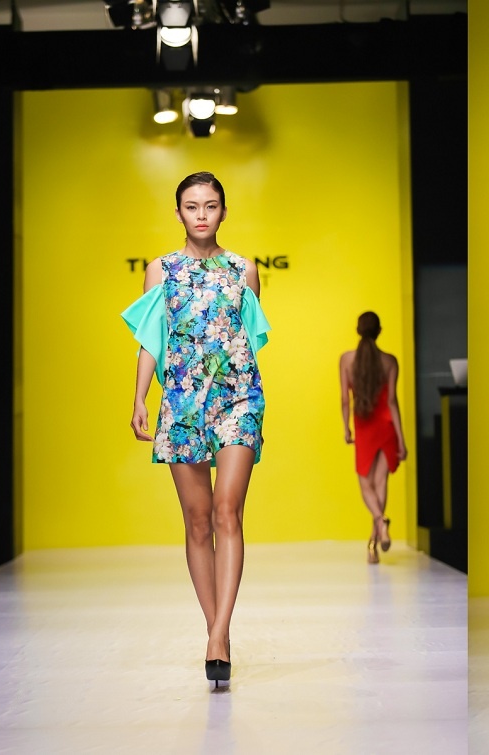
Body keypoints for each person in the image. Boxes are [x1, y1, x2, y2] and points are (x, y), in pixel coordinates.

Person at [122, 171, 270, 687]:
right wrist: (140, 396)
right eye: (192, 206)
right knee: (198, 520)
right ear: (179, 213)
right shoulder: (160, 270)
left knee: (228, 510)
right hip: (183, 401)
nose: (201, 214)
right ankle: (216, 630)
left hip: (238, 397)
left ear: (224, 212)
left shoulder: (244, 269)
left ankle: (218, 635)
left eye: (210, 205)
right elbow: (151, 338)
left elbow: (247, 339)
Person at [339, 312, 408, 564]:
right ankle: (374, 541)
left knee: (366, 485)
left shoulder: (347, 360)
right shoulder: (390, 361)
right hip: (386, 427)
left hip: (364, 426)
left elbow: (345, 399)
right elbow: (392, 402)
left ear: (358, 330)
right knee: (380, 483)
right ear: (379, 331)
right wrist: (401, 440)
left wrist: (346, 428)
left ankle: (380, 521)